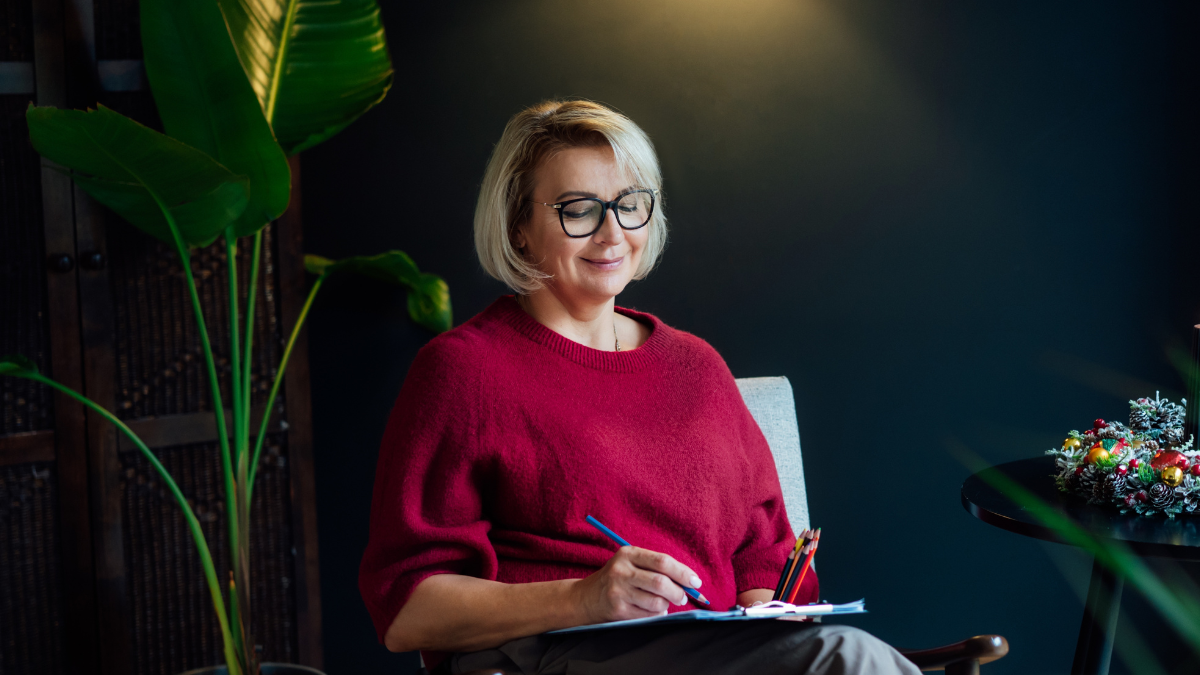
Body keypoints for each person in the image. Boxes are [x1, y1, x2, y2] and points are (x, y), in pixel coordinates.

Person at [359, 100, 919, 675]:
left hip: (718, 653)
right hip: (564, 654)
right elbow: (407, 610)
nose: (612, 233)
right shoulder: (464, 371)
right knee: (851, 657)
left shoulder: (696, 367)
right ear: (518, 228)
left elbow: (765, 554)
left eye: (629, 206)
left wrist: (765, 619)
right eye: (578, 210)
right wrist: (585, 597)